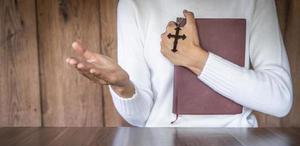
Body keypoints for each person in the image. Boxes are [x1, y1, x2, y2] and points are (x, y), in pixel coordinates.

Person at [66, 0, 293, 127]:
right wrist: (123, 86)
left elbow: (280, 99)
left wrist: (197, 60)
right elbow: (142, 117)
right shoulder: (135, 4)